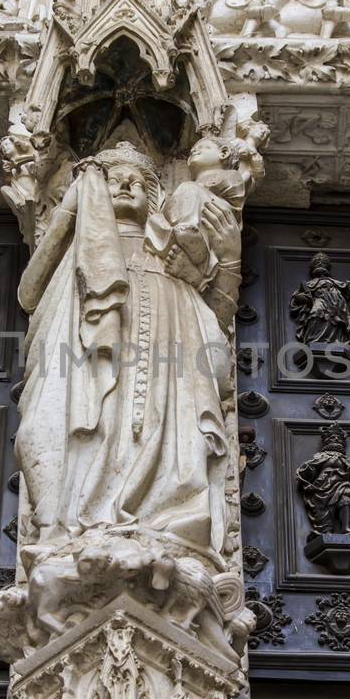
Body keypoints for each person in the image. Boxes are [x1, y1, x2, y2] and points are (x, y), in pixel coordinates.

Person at [15, 142, 237, 556]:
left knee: (161, 421)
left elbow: (215, 333)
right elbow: (30, 294)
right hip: (82, 357)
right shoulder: (78, 256)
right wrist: (72, 209)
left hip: (164, 356)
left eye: (137, 182)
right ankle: (68, 525)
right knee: (74, 421)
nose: (127, 187)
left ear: (153, 198)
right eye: (115, 181)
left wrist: (228, 261)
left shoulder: (170, 257)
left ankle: (159, 520)